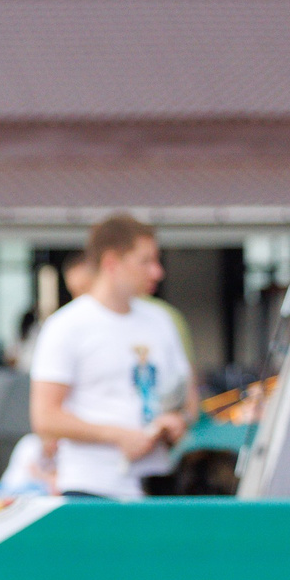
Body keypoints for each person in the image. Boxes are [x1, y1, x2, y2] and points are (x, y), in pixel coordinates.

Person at [30, 213, 197, 499]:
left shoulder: (162, 320)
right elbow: (44, 418)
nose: (157, 272)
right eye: (145, 261)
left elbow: (189, 400)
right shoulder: (66, 326)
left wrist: (175, 421)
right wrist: (119, 436)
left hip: (158, 482)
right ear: (111, 263)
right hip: (92, 486)